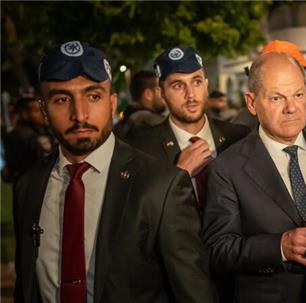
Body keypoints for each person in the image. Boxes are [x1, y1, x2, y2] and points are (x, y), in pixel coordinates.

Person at [13, 41, 216, 303]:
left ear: (112, 103)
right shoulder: (28, 186)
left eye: (93, 96)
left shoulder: (161, 185)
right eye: (62, 99)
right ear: (43, 109)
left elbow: (194, 294)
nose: (80, 114)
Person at [203, 52, 306, 303]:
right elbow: (218, 249)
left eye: (298, 94)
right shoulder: (227, 168)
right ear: (251, 103)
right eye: (276, 98)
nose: (292, 107)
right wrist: (280, 247)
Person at [126, 46, 249, 206]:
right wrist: (178, 176)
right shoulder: (141, 150)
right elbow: (139, 217)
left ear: (206, 85)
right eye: (178, 85)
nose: (190, 94)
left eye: (196, 82)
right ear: (162, 92)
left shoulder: (240, 138)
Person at [4, 96, 56, 182]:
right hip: (32, 188)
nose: (42, 113)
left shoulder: (43, 130)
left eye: (42, 109)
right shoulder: (21, 135)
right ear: (25, 114)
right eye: (36, 111)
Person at [113, 70, 166, 138]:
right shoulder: (155, 123)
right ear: (148, 94)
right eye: (159, 90)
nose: (164, 94)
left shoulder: (122, 124)